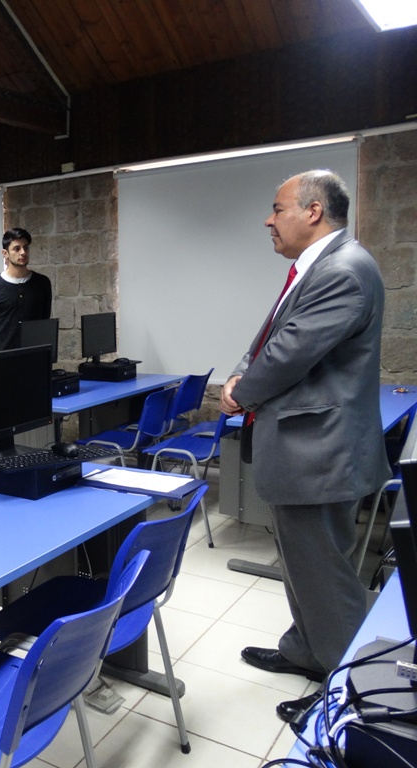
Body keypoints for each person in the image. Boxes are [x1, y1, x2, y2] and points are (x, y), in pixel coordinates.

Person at [219, 170, 390, 723]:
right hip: (304, 451)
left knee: (327, 580)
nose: (269, 219)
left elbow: (292, 351)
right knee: (301, 566)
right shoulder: (316, 267)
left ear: (313, 211)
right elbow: (269, 337)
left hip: (319, 456)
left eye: (277, 208)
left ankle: (349, 703)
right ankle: (304, 650)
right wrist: (242, 374)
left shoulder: (343, 269)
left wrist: (240, 392)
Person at [0, 227, 52, 352]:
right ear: (5, 253)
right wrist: (0, 345)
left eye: (26, 247)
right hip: (4, 357)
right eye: (17, 248)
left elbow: (44, 318)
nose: (23, 252)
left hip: (35, 355)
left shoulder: (42, 283)